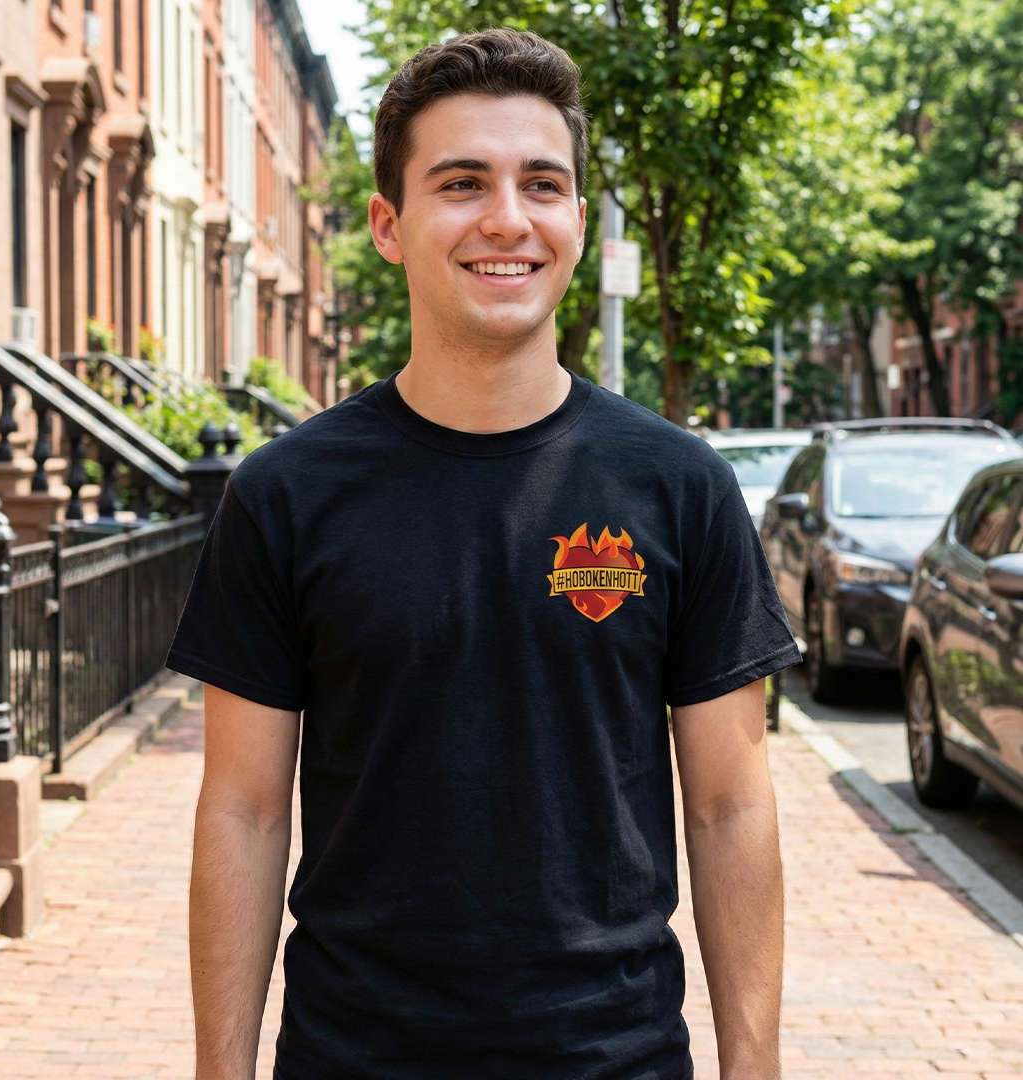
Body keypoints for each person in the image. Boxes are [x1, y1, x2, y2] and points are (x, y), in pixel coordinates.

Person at [169, 27, 801, 1080]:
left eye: (541, 185)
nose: (507, 219)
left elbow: (732, 807)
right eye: (462, 182)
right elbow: (240, 811)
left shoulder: (679, 489)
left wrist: (757, 1071)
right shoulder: (285, 495)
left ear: (580, 224)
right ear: (388, 223)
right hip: (352, 1057)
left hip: (617, 1057)